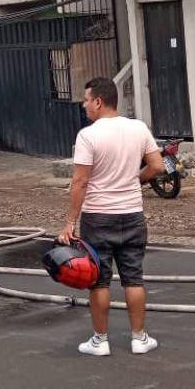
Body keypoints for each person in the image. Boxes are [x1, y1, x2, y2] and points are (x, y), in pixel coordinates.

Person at [59, 77, 165, 357]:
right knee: (134, 278)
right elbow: (157, 165)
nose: (84, 106)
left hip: (98, 218)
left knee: (99, 280)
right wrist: (135, 181)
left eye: (85, 100)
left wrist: (70, 221)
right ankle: (139, 338)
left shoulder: (88, 135)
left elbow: (80, 182)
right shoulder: (138, 128)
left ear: (98, 101)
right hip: (132, 214)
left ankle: (100, 340)